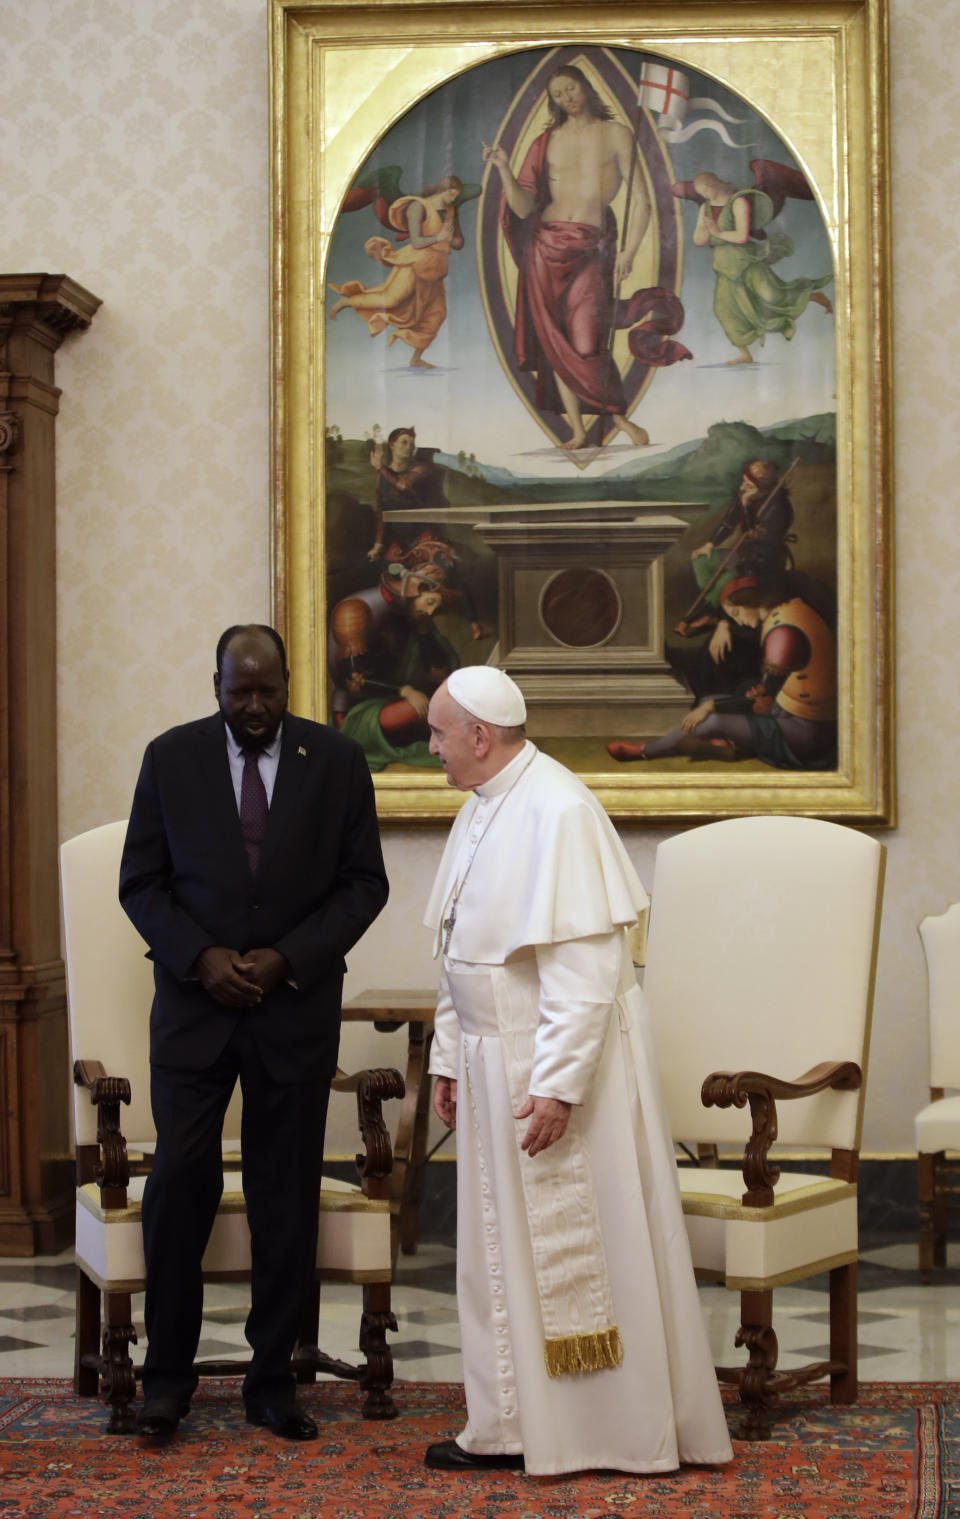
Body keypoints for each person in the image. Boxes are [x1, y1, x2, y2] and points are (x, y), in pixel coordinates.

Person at [421, 666, 733, 1475]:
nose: (431, 748)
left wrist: (556, 1086)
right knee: (498, 1257)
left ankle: (608, 1431)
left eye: (438, 733)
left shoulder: (558, 808)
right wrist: (449, 1058)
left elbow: (586, 973)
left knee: (583, 1254)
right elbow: (457, 951)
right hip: (493, 1060)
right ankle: (507, 1425)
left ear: (479, 736)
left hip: (549, 1061)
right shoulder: (482, 808)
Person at [119, 624, 388, 1441]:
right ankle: (165, 1378)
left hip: (293, 1011)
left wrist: (286, 959)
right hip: (196, 1015)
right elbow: (142, 881)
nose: (256, 706)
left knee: (284, 1196)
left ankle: (274, 1383)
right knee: (180, 1185)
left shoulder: (336, 761)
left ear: (287, 685)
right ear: (216, 689)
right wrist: (202, 957)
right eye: (241, 693)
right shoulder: (170, 758)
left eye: (269, 691)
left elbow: (362, 884)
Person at [483, 65, 690, 451]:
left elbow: (643, 201)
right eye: (558, 94)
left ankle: (618, 418)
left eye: (570, 89)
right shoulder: (546, 141)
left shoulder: (616, 134)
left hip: (591, 251)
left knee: (586, 341)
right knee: (555, 344)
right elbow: (524, 206)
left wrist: (628, 252)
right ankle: (579, 431)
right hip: (544, 251)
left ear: (586, 87)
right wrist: (503, 170)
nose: (566, 99)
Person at [608, 568, 837, 768]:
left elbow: (761, 694)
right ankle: (730, 744)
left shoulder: (782, 633)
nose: (738, 620)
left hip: (808, 733)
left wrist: (710, 707)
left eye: (737, 613)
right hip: (789, 710)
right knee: (711, 701)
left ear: (752, 600)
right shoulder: (786, 610)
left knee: (713, 718)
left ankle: (645, 750)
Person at [687, 169, 832, 365]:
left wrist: (717, 232)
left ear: (713, 184)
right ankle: (745, 354)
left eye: (705, 190)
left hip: (746, 261)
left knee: (773, 295)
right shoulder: (704, 208)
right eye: (700, 193)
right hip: (723, 265)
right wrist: (705, 230)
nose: (704, 195)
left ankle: (813, 295)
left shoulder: (738, 202)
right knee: (724, 310)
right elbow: (698, 239)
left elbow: (741, 236)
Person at [329, 563, 460, 769]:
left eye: (436, 607)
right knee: (429, 708)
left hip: (396, 700)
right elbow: (354, 682)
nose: (431, 611)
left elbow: (438, 672)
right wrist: (405, 690)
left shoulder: (413, 615)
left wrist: (424, 633)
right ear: (414, 590)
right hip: (356, 712)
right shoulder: (354, 611)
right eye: (430, 602)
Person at [328, 175, 464, 368]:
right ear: (441, 189)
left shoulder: (451, 211)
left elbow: (459, 241)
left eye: (455, 196)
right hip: (414, 263)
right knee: (391, 299)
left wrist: (452, 239)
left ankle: (416, 358)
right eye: (451, 193)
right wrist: (439, 237)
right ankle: (346, 301)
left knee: (437, 314)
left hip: (435, 268)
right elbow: (417, 242)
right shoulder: (418, 207)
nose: (452, 199)